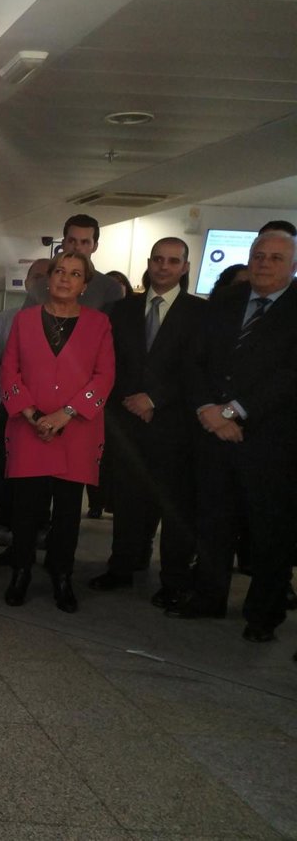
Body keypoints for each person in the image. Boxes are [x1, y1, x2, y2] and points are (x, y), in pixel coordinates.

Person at [174, 230, 297, 643]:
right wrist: (208, 410)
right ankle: (208, 596)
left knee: (269, 532)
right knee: (213, 521)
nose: (264, 263)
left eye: (275, 258)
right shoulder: (225, 300)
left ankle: (263, 614)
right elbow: (194, 360)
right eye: (259, 255)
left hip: (269, 440)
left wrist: (233, 411)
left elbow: (289, 377)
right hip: (213, 433)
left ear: (293, 265)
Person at [88, 238, 205, 607]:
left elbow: (199, 369)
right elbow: (110, 363)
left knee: (174, 505)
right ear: (149, 262)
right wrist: (132, 399)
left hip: (175, 425)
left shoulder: (201, 313)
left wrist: (154, 399)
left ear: (185, 267)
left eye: (173, 261)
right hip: (128, 420)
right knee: (127, 500)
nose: (163, 267)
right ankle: (121, 566)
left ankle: (174, 579)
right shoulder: (121, 309)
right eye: (158, 259)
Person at [0, 251, 114, 611]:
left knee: (67, 511)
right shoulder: (24, 320)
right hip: (29, 428)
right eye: (60, 271)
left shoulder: (99, 324)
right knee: (25, 508)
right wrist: (33, 415)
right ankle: (20, 571)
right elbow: (9, 371)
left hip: (76, 430)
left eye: (75, 274)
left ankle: (62, 574)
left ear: (85, 284)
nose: (65, 278)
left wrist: (64, 415)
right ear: (48, 279)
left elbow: (104, 376)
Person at [0, 258, 50, 542]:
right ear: (27, 282)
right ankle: (2, 522)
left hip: (50, 412)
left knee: (44, 474)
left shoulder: (66, 322)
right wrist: (8, 393)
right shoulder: (6, 320)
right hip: (12, 409)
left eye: (50, 275)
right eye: (38, 276)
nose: (44, 282)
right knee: (6, 469)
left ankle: (39, 525)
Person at [28, 214, 124, 312]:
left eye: (84, 242)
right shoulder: (40, 287)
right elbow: (25, 320)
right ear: (63, 244)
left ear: (95, 247)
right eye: (72, 241)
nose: (77, 247)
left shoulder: (109, 287)